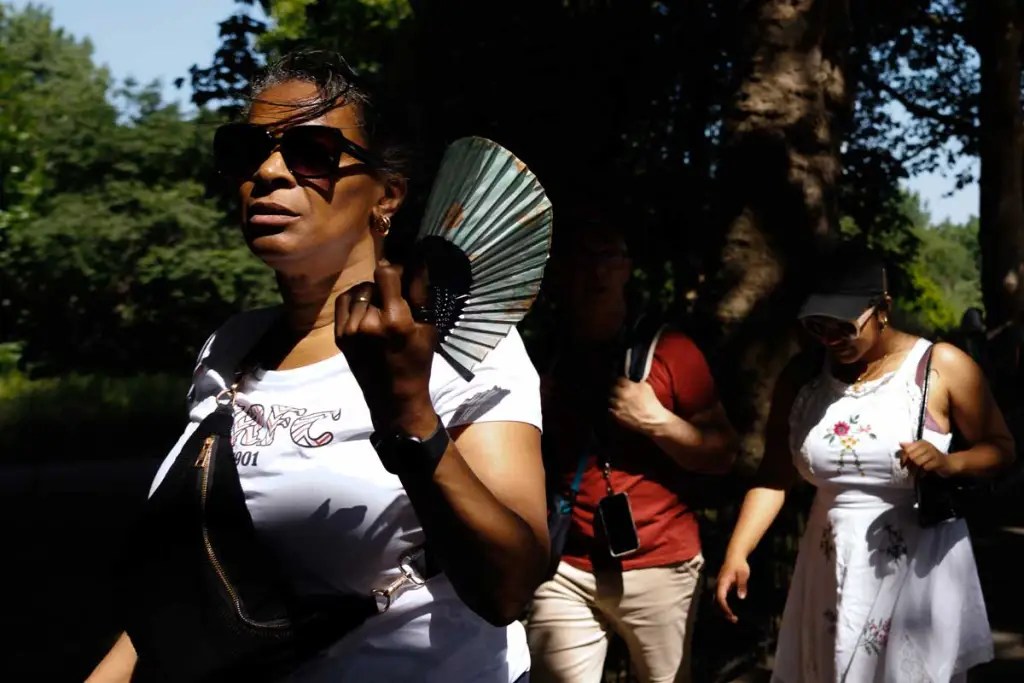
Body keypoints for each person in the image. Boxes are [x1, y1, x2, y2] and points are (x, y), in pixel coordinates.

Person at [87, 50, 549, 682]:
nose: (270, 173)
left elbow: (508, 589)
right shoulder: (230, 347)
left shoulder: (462, 348)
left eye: (312, 154)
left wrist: (407, 412)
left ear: (386, 194)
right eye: (247, 151)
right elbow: (201, 580)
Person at [715, 243, 1016, 682]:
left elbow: (1001, 446)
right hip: (828, 565)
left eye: (842, 326)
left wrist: (952, 464)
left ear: (882, 309)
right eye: (817, 326)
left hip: (917, 568)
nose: (830, 338)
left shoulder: (940, 366)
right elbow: (775, 477)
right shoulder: (803, 376)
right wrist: (737, 551)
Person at [526, 213, 738, 683]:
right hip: (565, 567)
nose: (595, 271)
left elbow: (723, 453)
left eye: (607, 257)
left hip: (661, 565)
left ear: (626, 268)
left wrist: (657, 422)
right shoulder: (540, 354)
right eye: (582, 258)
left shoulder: (670, 349)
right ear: (559, 270)